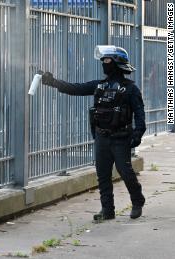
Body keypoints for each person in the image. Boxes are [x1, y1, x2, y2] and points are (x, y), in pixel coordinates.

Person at [40, 45, 146, 220]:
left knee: (125, 172)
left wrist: (137, 133)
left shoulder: (130, 89)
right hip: (102, 137)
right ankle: (107, 210)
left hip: (120, 138)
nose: (103, 63)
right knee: (102, 175)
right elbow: (76, 88)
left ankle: (137, 200)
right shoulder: (100, 86)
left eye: (106, 60)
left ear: (116, 62)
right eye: (103, 60)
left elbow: (140, 114)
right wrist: (53, 82)